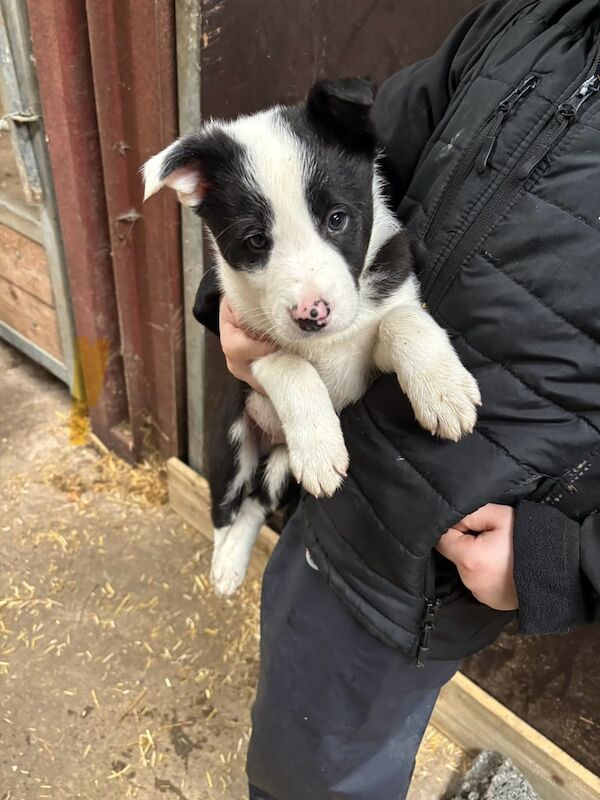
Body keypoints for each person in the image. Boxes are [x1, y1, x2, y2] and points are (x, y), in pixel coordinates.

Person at [194, 1, 600, 797]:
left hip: (428, 556)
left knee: (318, 767)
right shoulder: (538, 19)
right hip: (336, 492)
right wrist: (232, 302)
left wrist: (565, 561)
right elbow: (335, 166)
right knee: (293, 678)